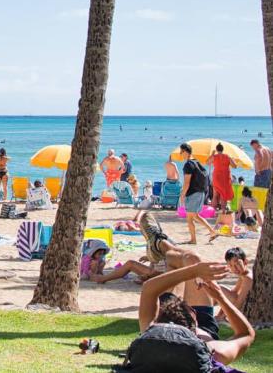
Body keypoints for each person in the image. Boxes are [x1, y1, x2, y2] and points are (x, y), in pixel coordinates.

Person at [123, 261, 253, 371]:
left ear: (157, 321)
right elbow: (246, 334)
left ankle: (182, 261)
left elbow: (149, 288)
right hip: (201, 333)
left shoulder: (149, 336)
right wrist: (220, 298)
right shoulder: (210, 351)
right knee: (191, 261)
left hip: (182, 331)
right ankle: (185, 261)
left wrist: (194, 270)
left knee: (185, 265)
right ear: (193, 316)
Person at [179, 144, 217, 244]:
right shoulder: (196, 162)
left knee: (189, 218)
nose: (180, 154)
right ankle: (212, 231)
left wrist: (182, 195)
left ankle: (193, 240)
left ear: (185, 151)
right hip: (200, 192)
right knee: (195, 216)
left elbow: (187, 183)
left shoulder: (188, 165)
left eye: (181, 152)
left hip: (193, 193)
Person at [81, 240, 159, 284]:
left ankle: (101, 278)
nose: (101, 256)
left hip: (157, 274)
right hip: (86, 273)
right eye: (99, 254)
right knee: (130, 264)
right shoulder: (88, 258)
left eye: (102, 254)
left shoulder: (99, 259)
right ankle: (96, 277)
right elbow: (85, 267)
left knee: (130, 263)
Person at [207, 144, 233, 210]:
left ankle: (213, 211)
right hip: (225, 178)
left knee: (215, 194)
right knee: (223, 194)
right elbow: (235, 166)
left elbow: (208, 162)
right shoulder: (227, 156)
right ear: (222, 149)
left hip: (216, 177)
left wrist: (212, 154)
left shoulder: (214, 157)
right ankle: (223, 211)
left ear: (217, 149)